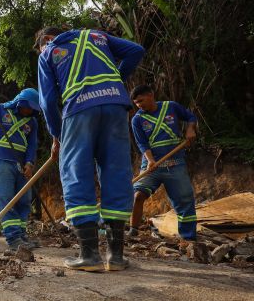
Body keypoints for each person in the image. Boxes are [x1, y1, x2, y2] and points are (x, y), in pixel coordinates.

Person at [36, 26, 145, 271]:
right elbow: (136, 51)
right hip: (116, 106)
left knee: (76, 173)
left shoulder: (48, 52)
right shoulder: (98, 36)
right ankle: (115, 258)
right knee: (116, 173)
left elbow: (47, 102)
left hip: (78, 110)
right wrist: (115, 79)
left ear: (46, 40)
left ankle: (89, 255)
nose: (41, 51)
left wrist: (57, 135)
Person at [129, 85, 198, 243]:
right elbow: (142, 144)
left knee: (185, 199)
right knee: (138, 195)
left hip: (175, 163)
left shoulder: (171, 106)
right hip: (151, 164)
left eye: (141, 100)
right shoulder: (137, 119)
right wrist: (151, 160)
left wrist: (190, 129)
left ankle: (188, 238)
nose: (139, 105)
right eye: (136, 103)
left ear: (151, 95)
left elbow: (190, 117)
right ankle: (133, 231)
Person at [0, 89, 41, 252]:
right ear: (21, 103)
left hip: (22, 164)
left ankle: (21, 234)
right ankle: (13, 237)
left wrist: (30, 163)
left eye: (32, 109)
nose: (29, 111)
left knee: (24, 200)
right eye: (28, 107)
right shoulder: (0, 109)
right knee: (6, 199)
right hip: (2, 160)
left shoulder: (32, 122)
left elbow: (32, 145)